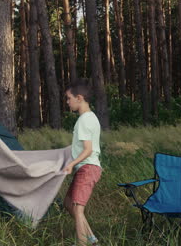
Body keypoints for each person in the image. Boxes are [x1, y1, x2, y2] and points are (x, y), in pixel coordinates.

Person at [63, 78, 102, 246]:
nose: (67, 102)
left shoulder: (84, 120)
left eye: (69, 98)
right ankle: (91, 239)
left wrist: (71, 164)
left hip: (87, 168)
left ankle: (82, 243)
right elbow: (81, 147)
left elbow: (88, 150)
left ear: (79, 98)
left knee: (78, 208)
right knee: (68, 202)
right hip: (86, 167)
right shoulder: (90, 117)